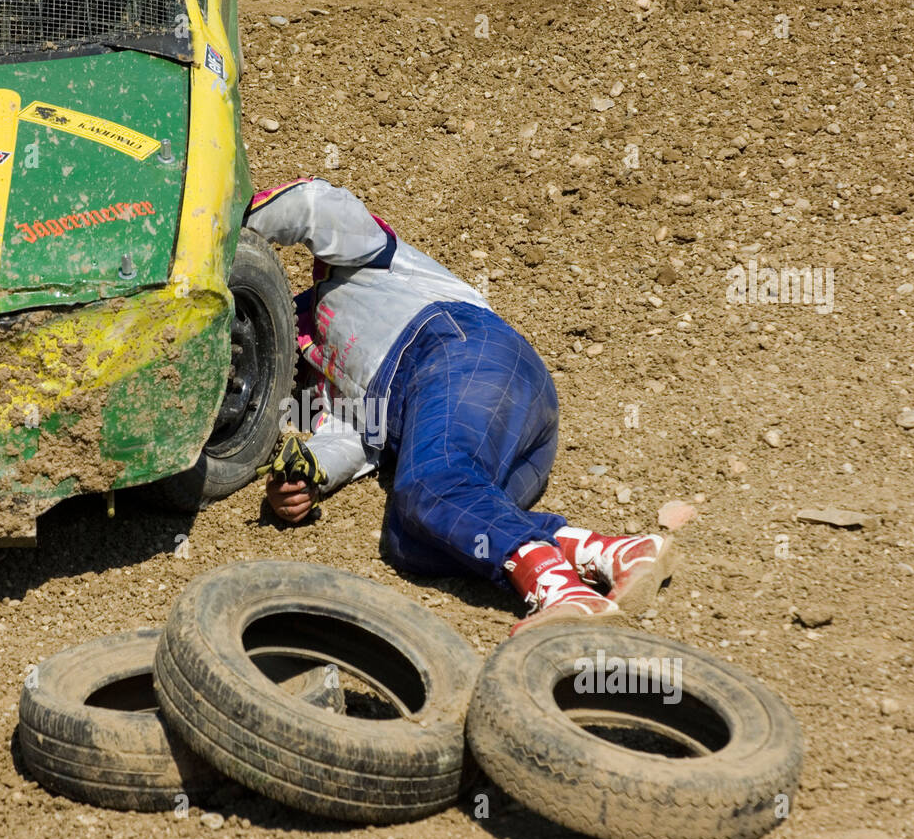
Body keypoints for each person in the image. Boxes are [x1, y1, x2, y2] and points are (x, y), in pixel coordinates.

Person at [247, 178, 676, 633]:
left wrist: (224, 234)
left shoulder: (360, 260)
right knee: (411, 538)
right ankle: (611, 554)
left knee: (431, 484)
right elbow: (351, 435)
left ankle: (561, 592)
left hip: (462, 351)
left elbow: (314, 203)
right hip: (511, 417)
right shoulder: (319, 367)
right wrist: (307, 475)